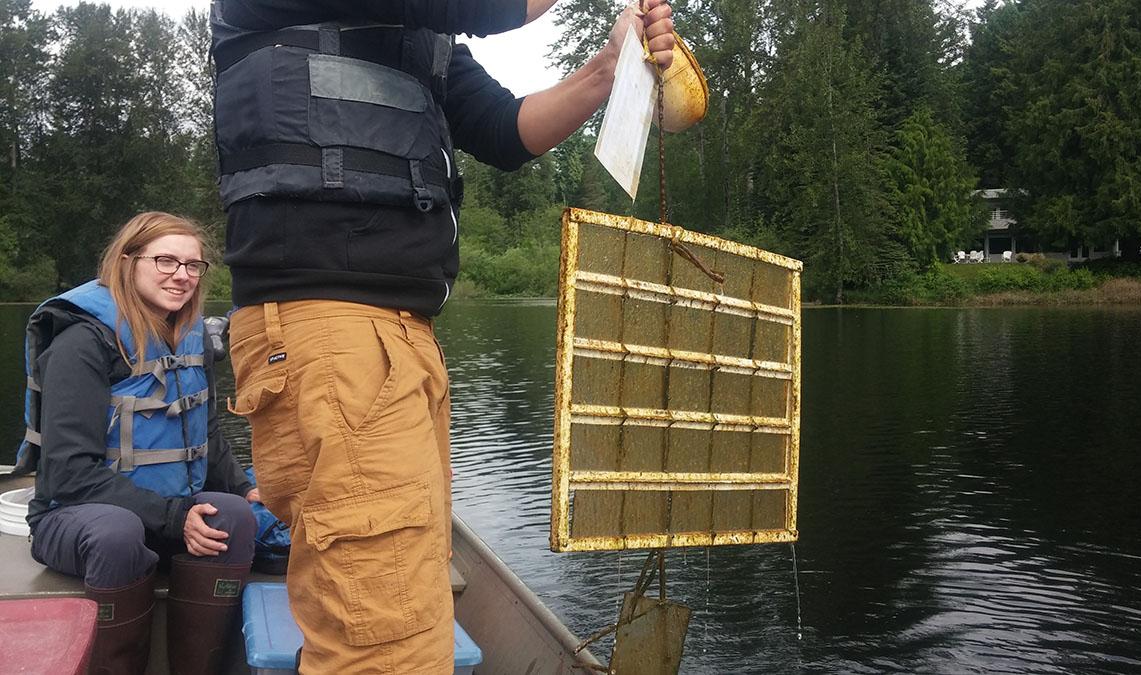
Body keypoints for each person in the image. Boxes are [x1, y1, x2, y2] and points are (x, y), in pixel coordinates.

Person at [212, 0, 677, 671]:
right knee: (386, 651)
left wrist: (609, 68)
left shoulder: (417, 35)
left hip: (396, 346)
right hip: (337, 338)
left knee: (410, 624)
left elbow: (504, 130)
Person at [15, 212, 260, 675]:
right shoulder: (81, 343)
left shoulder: (191, 340)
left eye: (193, 265)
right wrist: (174, 517)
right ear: (127, 262)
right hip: (75, 520)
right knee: (117, 533)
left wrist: (246, 487)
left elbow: (204, 431)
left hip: (168, 518)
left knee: (237, 517)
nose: (182, 275)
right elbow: (68, 472)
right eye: (166, 260)